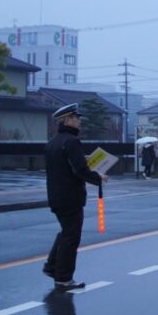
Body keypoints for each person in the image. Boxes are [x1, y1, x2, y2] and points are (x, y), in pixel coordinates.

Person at [42, 103, 108, 291]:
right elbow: (79, 170)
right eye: (76, 118)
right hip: (70, 197)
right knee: (71, 236)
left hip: (55, 195)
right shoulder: (71, 142)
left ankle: (52, 266)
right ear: (67, 120)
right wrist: (98, 177)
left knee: (66, 232)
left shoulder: (53, 142)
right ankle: (63, 278)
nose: (79, 121)